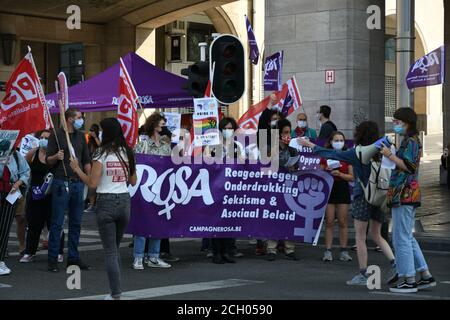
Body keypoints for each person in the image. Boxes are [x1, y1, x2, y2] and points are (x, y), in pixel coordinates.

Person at [299, 121, 396, 286]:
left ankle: (364, 274)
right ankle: (396, 264)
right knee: (377, 234)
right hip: (379, 197)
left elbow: (330, 154)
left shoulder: (357, 153)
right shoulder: (382, 151)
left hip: (362, 196)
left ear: (360, 135)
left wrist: (308, 144)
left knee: (360, 236)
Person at [70, 117, 137, 300]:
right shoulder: (127, 152)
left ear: (105, 133)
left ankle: (116, 293)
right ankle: (116, 291)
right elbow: (133, 181)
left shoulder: (100, 153)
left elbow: (92, 183)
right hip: (124, 201)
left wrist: (77, 169)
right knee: (114, 248)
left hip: (106, 201)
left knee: (110, 251)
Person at [380, 108, 436, 293]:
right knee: (407, 236)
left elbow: (409, 167)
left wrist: (389, 155)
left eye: (397, 122)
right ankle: (424, 275)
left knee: (401, 238)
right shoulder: (410, 140)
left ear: (407, 122)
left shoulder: (411, 141)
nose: (395, 124)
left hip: (404, 194)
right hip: (408, 194)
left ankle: (409, 279)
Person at [46, 108, 92, 272]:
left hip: (78, 183)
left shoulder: (81, 136)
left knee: (76, 223)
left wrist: (89, 177)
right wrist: (55, 157)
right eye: (79, 117)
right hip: (61, 182)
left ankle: (73, 257)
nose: (82, 119)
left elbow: (86, 159)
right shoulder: (56, 135)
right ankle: (52, 259)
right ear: (70, 119)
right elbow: (48, 160)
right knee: (57, 222)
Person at [132, 112, 171, 270]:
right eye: (161, 123)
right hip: (145, 188)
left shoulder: (166, 146)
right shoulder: (142, 145)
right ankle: (138, 256)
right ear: (154, 124)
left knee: (158, 222)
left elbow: (171, 166)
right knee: (142, 222)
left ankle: (154, 256)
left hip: (161, 188)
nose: (164, 125)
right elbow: (135, 166)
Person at [20, 130, 64, 263]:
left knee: (55, 224)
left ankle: (58, 251)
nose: (44, 140)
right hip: (36, 195)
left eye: (47, 138)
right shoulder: (33, 153)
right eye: (42, 137)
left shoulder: (58, 154)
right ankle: (29, 252)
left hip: (53, 195)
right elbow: (25, 166)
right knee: (34, 224)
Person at [209, 117, 244, 264]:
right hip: (216, 188)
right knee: (216, 220)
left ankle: (228, 251)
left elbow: (243, 164)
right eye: (225, 128)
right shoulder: (213, 146)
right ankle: (216, 252)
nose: (228, 131)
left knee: (229, 219)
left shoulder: (237, 146)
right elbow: (206, 163)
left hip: (232, 189)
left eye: (231, 128)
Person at [266, 119, 299, 262]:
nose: (288, 135)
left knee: (288, 218)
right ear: (278, 134)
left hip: (288, 189)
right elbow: (263, 167)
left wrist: (293, 169)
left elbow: (297, 169)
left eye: (289, 132)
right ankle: (271, 248)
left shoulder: (293, 150)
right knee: (272, 218)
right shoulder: (269, 149)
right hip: (273, 188)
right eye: (285, 132)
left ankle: (289, 248)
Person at [320, 131, 354, 262]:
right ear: (331, 141)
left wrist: (339, 174)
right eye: (336, 140)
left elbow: (352, 177)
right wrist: (327, 171)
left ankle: (344, 251)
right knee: (329, 221)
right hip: (329, 188)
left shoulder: (348, 156)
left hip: (342, 188)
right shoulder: (325, 154)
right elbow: (320, 172)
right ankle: (328, 250)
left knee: (343, 221)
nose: (339, 142)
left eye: (341, 140)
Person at [0, 148, 30, 275]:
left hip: (10, 194)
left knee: (4, 228)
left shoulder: (16, 155)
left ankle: (0, 260)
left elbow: (25, 172)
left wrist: (18, 183)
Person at [85, 124, 102, 213]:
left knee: (98, 185)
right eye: (90, 130)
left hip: (98, 164)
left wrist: (95, 137)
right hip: (90, 164)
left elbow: (100, 147)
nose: (91, 132)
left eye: (93, 130)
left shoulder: (99, 138)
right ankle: (91, 204)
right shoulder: (88, 140)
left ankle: (96, 204)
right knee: (91, 186)